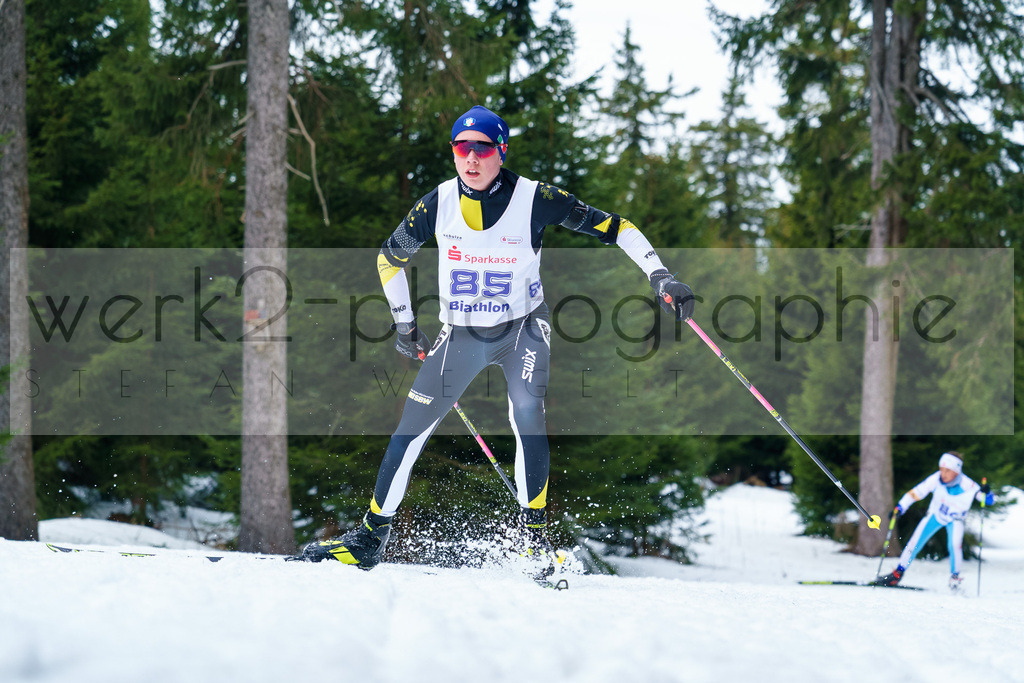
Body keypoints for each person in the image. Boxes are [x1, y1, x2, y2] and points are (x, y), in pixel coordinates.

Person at [295, 104, 695, 569]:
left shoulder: (536, 198)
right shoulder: (436, 203)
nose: (472, 158)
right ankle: (368, 540)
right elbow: (389, 260)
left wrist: (660, 276)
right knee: (410, 430)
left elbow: (617, 228)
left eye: (482, 148)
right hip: (461, 333)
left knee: (527, 413)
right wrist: (404, 324)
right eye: (462, 148)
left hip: (523, 328)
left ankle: (536, 542)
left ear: (500, 151)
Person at [874, 451, 993, 591]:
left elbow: (987, 501)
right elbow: (917, 492)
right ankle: (897, 574)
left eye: (947, 470)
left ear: (956, 471)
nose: (943, 473)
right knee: (914, 542)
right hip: (935, 515)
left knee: (954, 546)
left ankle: (955, 579)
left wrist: (987, 493)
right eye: (941, 469)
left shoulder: (968, 484)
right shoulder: (936, 479)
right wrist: (901, 507)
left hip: (956, 519)